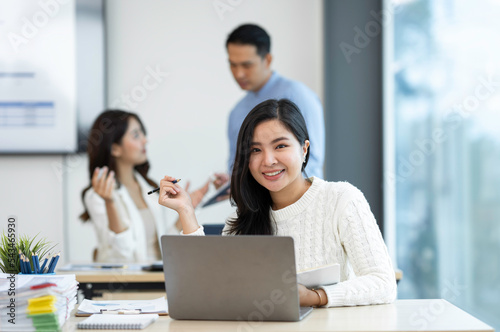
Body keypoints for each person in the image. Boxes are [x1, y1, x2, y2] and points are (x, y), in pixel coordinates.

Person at [157, 99, 396, 307]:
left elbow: (383, 283)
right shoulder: (243, 222)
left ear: (304, 149)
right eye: (255, 150)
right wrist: (186, 211)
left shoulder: (342, 199)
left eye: (280, 146)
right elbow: (207, 290)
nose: (268, 160)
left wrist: (315, 297)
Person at [80, 110, 210, 263]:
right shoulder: (96, 196)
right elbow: (122, 254)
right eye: (136, 135)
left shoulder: (149, 188)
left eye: (142, 133)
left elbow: (162, 243)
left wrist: (187, 207)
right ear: (115, 148)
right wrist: (110, 203)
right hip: (125, 282)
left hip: (157, 277)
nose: (145, 140)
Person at [222, 23, 325, 181]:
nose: (239, 73)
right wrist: (230, 181)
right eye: (233, 65)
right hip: (256, 204)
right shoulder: (237, 112)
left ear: (267, 60)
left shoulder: (297, 95)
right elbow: (236, 164)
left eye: (246, 65)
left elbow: (313, 159)